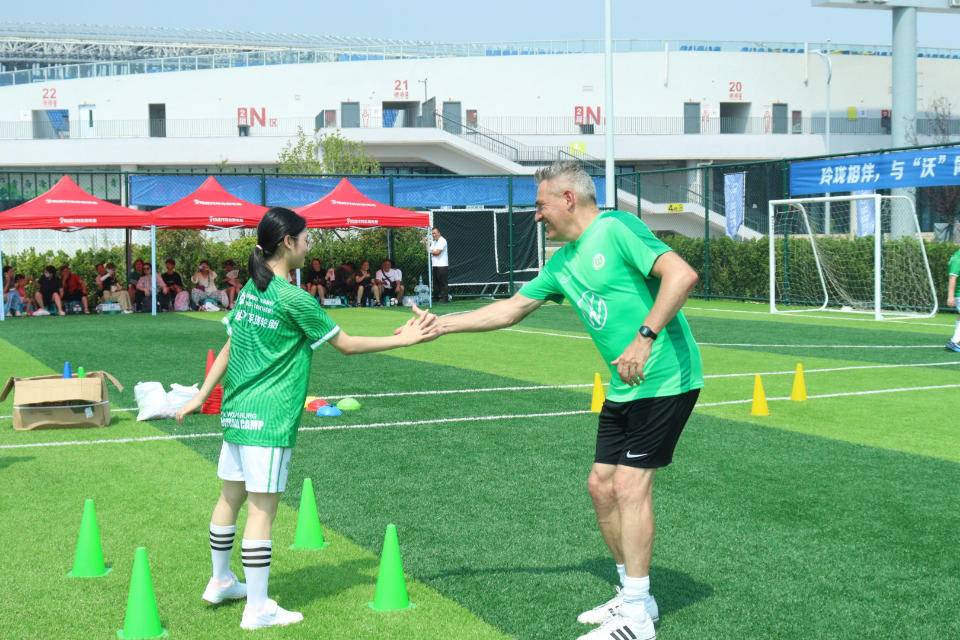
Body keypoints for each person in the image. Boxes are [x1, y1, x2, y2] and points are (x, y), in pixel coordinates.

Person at [420, 162, 703, 640]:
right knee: (601, 487)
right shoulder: (562, 263)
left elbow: (682, 275)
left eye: (540, 204)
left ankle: (637, 618)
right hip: (624, 386)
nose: (537, 215)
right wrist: (440, 325)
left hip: (666, 378)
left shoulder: (617, 228)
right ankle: (632, 594)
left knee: (629, 486)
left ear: (568, 199)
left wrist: (644, 337)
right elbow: (511, 309)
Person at [174, 207, 438, 631]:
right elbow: (347, 345)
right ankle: (257, 608)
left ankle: (220, 580)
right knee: (262, 511)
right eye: (305, 238)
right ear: (287, 243)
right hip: (270, 418)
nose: (309, 245)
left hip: (236, 412)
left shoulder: (251, 289)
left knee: (229, 498)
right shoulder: (294, 298)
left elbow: (229, 347)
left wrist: (200, 397)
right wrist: (405, 338)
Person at [946, 246, 960, 352]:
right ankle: (954, 341)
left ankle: (955, 340)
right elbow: (952, 277)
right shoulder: (957, 258)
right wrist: (950, 297)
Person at [430, 226, 449, 303]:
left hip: (442, 265)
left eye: (435, 233)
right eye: (432, 233)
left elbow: (437, 253)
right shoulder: (434, 242)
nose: (433, 235)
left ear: (439, 233)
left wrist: (431, 251)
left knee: (443, 283)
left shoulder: (442, 240)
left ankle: (445, 299)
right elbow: (430, 250)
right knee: (435, 283)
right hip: (435, 265)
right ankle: (436, 298)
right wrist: (425, 244)